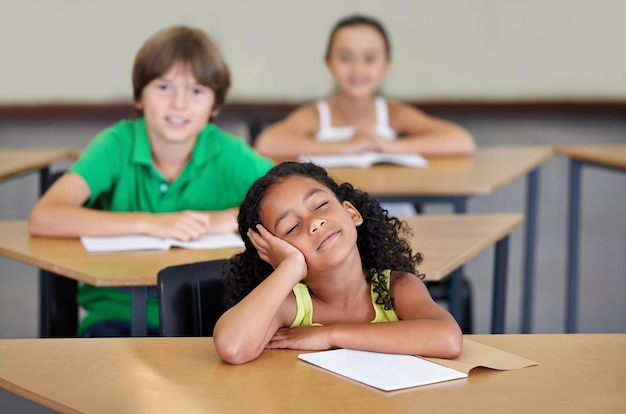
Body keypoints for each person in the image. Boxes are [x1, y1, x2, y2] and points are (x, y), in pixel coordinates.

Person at [28, 26, 274, 337]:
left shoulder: (230, 153)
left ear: (215, 105)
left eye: (196, 91)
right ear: (139, 96)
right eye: (164, 87)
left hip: (210, 317)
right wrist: (151, 223)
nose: (179, 104)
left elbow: (291, 200)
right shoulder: (117, 143)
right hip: (118, 316)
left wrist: (220, 220)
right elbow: (44, 217)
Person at [213, 162, 463, 365]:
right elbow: (233, 347)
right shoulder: (291, 306)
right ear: (273, 252)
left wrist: (330, 334)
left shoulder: (396, 288)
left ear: (352, 213)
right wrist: (289, 267)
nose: (315, 222)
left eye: (321, 205)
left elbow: (448, 339)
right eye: (292, 227)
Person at [253, 14, 475, 159]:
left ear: (386, 66)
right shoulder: (317, 115)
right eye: (346, 58)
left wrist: (389, 147)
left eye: (369, 59)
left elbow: (461, 141)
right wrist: (346, 148)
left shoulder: (393, 113)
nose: (358, 69)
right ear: (328, 63)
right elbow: (267, 143)